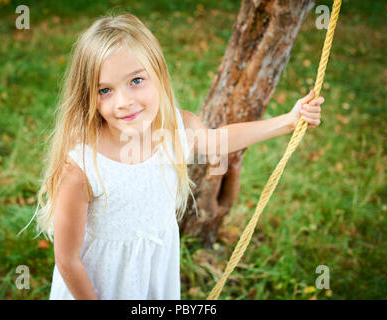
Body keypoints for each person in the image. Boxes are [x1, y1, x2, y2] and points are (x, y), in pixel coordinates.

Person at [18, 12, 323, 300]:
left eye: (136, 81)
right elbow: (68, 260)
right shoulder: (84, 167)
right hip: (101, 283)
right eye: (105, 90)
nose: (124, 101)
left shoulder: (177, 127)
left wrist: (287, 121)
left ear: (159, 75)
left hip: (154, 269)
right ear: (88, 97)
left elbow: (217, 141)